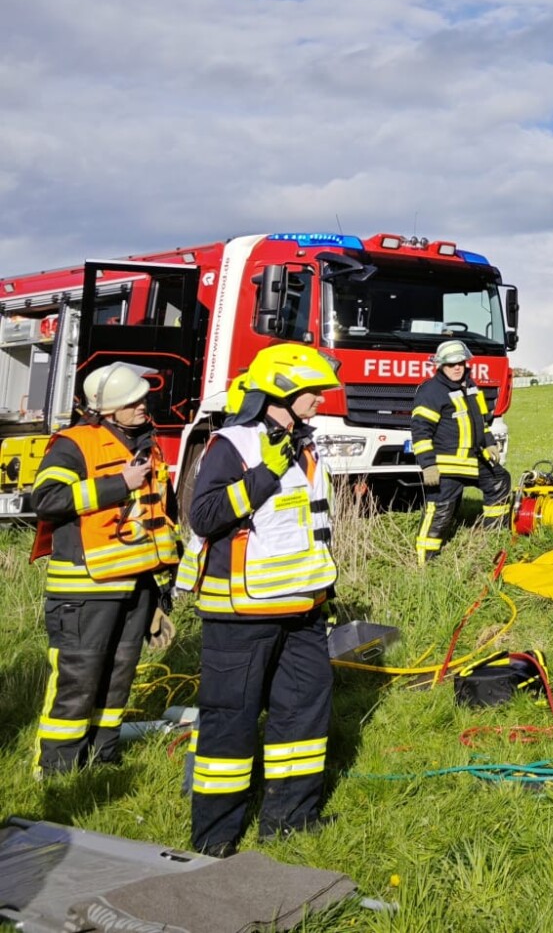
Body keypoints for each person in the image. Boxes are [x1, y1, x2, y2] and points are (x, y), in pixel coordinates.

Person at [180, 344, 341, 856]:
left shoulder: (303, 444)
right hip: (241, 613)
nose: (320, 399)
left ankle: (291, 822)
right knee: (231, 720)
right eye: (312, 391)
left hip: (303, 609)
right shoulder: (234, 443)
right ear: (280, 393)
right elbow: (204, 516)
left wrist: (323, 593)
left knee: (303, 715)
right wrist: (263, 475)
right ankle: (215, 838)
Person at [30, 362, 179, 777]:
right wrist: (119, 484)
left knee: (118, 677)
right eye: (133, 402)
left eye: (143, 399)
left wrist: (159, 595)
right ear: (108, 409)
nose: (143, 405)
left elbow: (158, 520)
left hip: (135, 587)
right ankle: (58, 770)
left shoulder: (147, 443)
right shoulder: (73, 445)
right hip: (85, 589)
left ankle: (101, 758)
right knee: (78, 681)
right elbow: (46, 500)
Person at [411, 339, 510, 564]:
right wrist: (428, 464)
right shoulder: (431, 391)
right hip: (446, 464)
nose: (457, 368)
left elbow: (481, 421)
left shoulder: (470, 385)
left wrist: (489, 442)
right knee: (441, 510)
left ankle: (493, 537)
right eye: (451, 364)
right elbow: (420, 431)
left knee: (499, 479)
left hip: (473, 458)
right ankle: (425, 560)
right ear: (440, 365)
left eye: (460, 363)